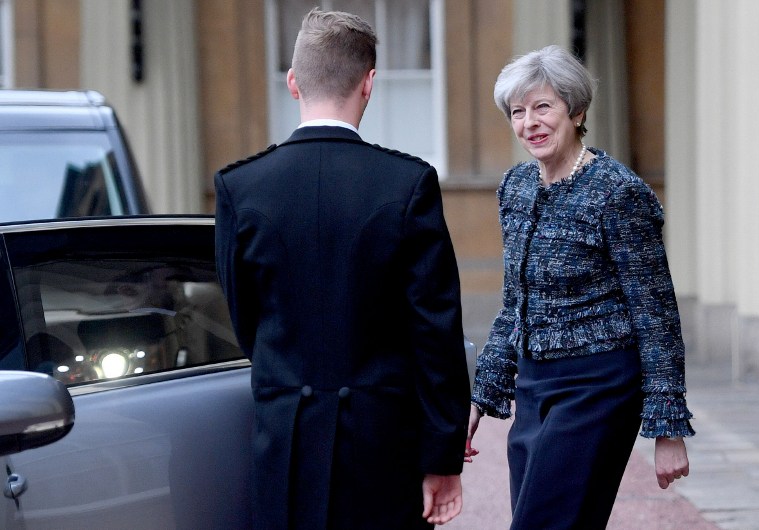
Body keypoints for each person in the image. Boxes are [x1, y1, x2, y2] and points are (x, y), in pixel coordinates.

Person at [214, 8, 469, 530]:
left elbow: (245, 319)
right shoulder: (408, 183)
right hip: (382, 440)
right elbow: (435, 331)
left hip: (285, 438)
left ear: (293, 83)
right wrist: (441, 456)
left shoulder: (240, 187)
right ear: (369, 83)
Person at [464, 45, 695, 529]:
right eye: (518, 111)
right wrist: (480, 398)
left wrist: (668, 428)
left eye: (543, 106)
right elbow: (514, 305)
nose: (530, 122)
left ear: (577, 110)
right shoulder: (516, 187)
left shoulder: (618, 192)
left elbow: (655, 314)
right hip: (533, 386)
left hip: (599, 385)